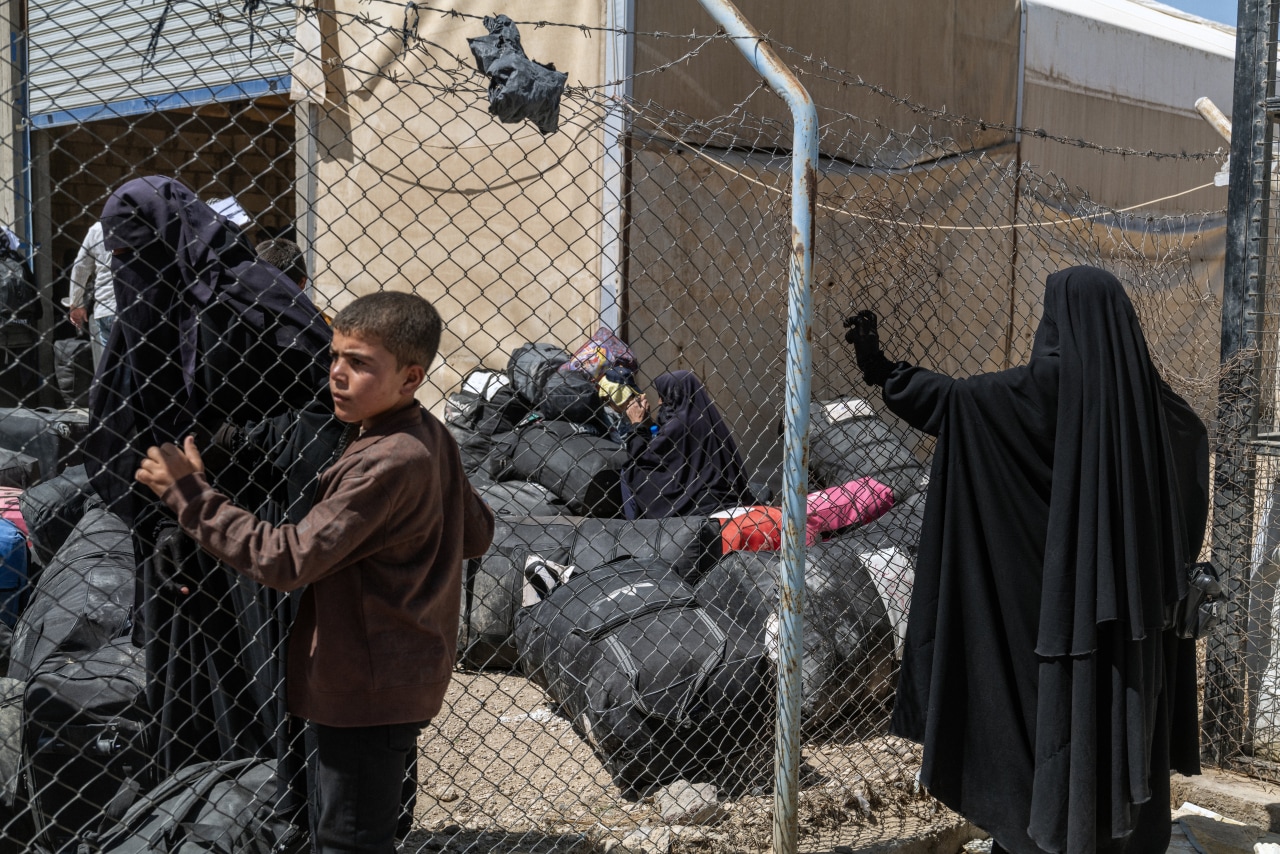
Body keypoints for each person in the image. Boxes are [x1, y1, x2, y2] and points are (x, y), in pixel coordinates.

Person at [845, 265, 1209, 854]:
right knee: (1118, 708)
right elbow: (1189, 467)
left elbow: (953, 404)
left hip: (1035, 611)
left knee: (1038, 713)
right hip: (1128, 619)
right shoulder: (1157, 411)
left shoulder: (1028, 394)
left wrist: (883, 371)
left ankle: (1041, 831)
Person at [135, 289, 497, 854]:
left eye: (360, 363)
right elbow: (476, 533)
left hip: (364, 685)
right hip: (397, 672)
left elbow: (286, 559)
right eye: (334, 356)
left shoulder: (387, 459)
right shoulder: (426, 436)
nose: (337, 374)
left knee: (347, 840)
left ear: (410, 377)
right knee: (363, 829)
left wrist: (190, 493)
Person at [83, 176, 338, 826]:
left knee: (267, 675)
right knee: (194, 678)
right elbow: (126, 423)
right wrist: (164, 511)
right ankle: (203, 807)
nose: (130, 271)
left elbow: (326, 418)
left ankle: (286, 811)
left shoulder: (256, 297)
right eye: (121, 259)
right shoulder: (154, 309)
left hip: (267, 526)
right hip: (181, 531)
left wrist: (230, 447)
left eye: (141, 255)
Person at [620, 369, 751, 519]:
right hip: (722, 496)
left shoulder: (677, 424)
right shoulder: (706, 417)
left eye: (662, 396)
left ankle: (636, 527)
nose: (659, 402)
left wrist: (637, 424)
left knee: (629, 471)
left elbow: (643, 459)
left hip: (694, 504)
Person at [68, 220, 117, 369]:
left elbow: (80, 268)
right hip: (131, 307)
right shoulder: (143, 225)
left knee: (110, 367)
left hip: (104, 308)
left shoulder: (97, 228)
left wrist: (76, 304)